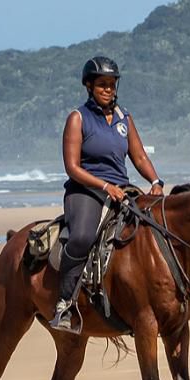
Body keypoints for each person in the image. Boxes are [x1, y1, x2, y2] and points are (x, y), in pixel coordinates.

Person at [49, 57, 163, 334]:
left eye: (112, 85)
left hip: (121, 190)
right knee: (83, 237)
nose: (108, 90)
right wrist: (103, 186)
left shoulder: (125, 118)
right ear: (89, 86)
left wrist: (155, 180)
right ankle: (65, 304)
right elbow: (72, 167)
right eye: (102, 84)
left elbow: (138, 155)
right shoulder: (78, 118)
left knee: (153, 229)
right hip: (85, 191)